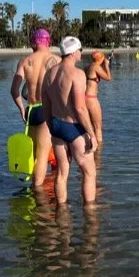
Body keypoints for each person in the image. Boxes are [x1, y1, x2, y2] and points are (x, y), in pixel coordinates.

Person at [42, 36, 98, 205]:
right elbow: (80, 109)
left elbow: (45, 104)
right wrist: (92, 134)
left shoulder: (49, 74)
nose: (81, 53)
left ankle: (62, 212)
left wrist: (52, 128)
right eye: (80, 50)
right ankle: (90, 213)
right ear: (74, 52)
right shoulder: (77, 74)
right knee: (89, 172)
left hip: (57, 125)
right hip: (73, 126)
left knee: (61, 172)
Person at [10, 29, 61, 187]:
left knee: (33, 153)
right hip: (48, 110)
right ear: (48, 41)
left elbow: (14, 91)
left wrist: (21, 109)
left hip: (31, 110)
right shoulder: (57, 60)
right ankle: (38, 194)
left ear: (34, 42)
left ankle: (35, 189)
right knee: (43, 155)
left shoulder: (25, 61)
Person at [84, 50, 112, 145]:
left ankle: (90, 146)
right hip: (92, 98)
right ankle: (99, 152)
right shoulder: (95, 67)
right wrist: (107, 65)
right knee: (98, 127)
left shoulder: (88, 66)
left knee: (90, 126)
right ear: (101, 59)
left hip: (84, 97)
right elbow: (108, 78)